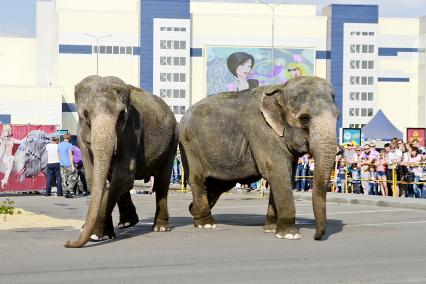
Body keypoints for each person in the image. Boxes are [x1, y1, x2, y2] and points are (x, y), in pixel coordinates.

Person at [58, 133, 77, 198]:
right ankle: (69, 189)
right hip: (68, 163)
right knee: (74, 175)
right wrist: (72, 165)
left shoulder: (59, 145)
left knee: (64, 178)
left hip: (62, 164)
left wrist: (61, 161)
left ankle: (66, 192)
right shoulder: (69, 145)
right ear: (69, 138)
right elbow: (70, 155)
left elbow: (59, 155)